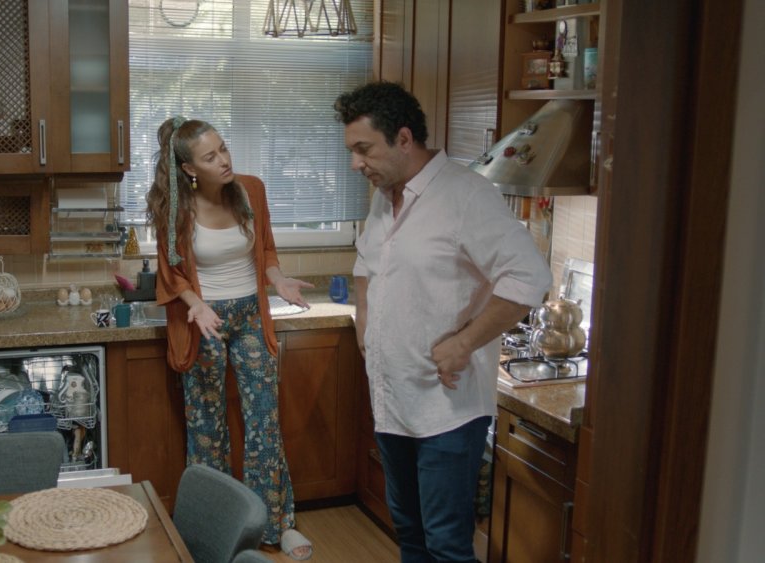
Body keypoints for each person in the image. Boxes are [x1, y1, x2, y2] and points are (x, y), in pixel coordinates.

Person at [334, 82, 552, 562]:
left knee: (446, 545)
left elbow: (530, 277)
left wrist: (463, 343)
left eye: (363, 149)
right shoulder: (385, 194)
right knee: (410, 536)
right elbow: (367, 262)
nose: (355, 163)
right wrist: (365, 324)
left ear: (404, 138)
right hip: (392, 400)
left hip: (446, 410)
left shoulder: (466, 195)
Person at [147, 116, 315, 560]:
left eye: (223, 148)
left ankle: (278, 526)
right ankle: (212, 532)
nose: (224, 160)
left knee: (264, 422)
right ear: (189, 169)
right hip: (204, 321)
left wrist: (278, 280)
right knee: (207, 429)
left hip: (251, 317)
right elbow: (172, 272)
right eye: (210, 156)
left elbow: (266, 249)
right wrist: (195, 304)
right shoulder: (175, 208)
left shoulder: (251, 190)